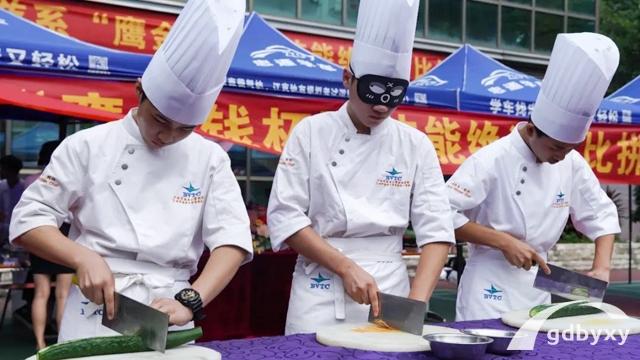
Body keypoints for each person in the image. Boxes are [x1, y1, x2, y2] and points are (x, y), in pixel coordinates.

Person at [8, 0, 253, 342]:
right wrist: (82, 256)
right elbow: (28, 222)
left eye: (185, 128)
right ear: (139, 90)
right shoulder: (88, 145)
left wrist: (192, 300)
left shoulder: (210, 158)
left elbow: (232, 241)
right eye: (160, 120)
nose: (167, 136)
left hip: (170, 307)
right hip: (94, 307)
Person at [267, 0, 456, 335]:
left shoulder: (415, 144)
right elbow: (285, 215)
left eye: (393, 96)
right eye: (371, 92)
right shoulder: (311, 132)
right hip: (320, 283)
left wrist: (415, 304)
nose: (381, 108)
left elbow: (437, 229)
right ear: (347, 79)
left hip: (390, 285)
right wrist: (343, 266)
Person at [446, 32, 621, 321]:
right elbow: (443, 213)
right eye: (556, 147)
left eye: (570, 148)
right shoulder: (492, 159)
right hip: (489, 284)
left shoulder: (572, 163)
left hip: (537, 284)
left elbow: (602, 215)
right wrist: (504, 242)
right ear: (531, 130)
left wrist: (601, 267)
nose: (561, 156)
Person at [24, 141, 74, 349]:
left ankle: (40, 343)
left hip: (38, 234)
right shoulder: (69, 177)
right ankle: (61, 345)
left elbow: (25, 211)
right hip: (63, 235)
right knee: (63, 294)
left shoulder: (31, 179)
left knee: (41, 293)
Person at [0, 155, 25, 245]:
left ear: (13, 171)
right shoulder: (1, 186)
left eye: (3, 169)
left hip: (18, 232)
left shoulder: (24, 188)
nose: (1, 172)